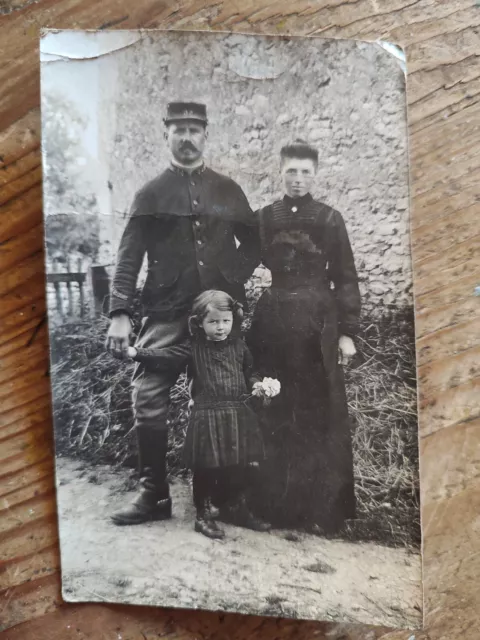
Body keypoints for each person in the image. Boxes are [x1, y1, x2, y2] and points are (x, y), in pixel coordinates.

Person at [106, 102, 260, 525]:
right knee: (149, 398)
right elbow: (128, 257)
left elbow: (254, 241)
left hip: (218, 318)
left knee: (227, 400)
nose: (188, 137)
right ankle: (154, 494)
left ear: (206, 134)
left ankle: (227, 499)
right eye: (179, 129)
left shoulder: (228, 190)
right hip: (166, 313)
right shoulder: (151, 193)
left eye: (195, 129)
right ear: (166, 134)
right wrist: (120, 312)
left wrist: (230, 283)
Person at [246, 139, 361, 535]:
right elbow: (240, 262)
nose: (298, 179)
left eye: (305, 172)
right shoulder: (262, 219)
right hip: (274, 323)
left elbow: (345, 278)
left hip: (317, 326)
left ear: (316, 174)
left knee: (318, 411)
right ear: (280, 171)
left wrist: (347, 333)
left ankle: (321, 511)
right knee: (274, 406)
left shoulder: (330, 219)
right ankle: (272, 506)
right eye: (291, 171)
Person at [127, 290, 272, 539]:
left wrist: (259, 385)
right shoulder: (192, 348)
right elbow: (166, 356)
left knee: (239, 463)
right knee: (207, 467)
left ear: (233, 320)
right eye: (213, 322)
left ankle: (234, 507)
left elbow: (251, 372)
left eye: (225, 321)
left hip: (237, 414)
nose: (220, 327)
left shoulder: (239, 347)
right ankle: (203, 515)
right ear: (199, 323)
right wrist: (135, 353)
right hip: (207, 416)